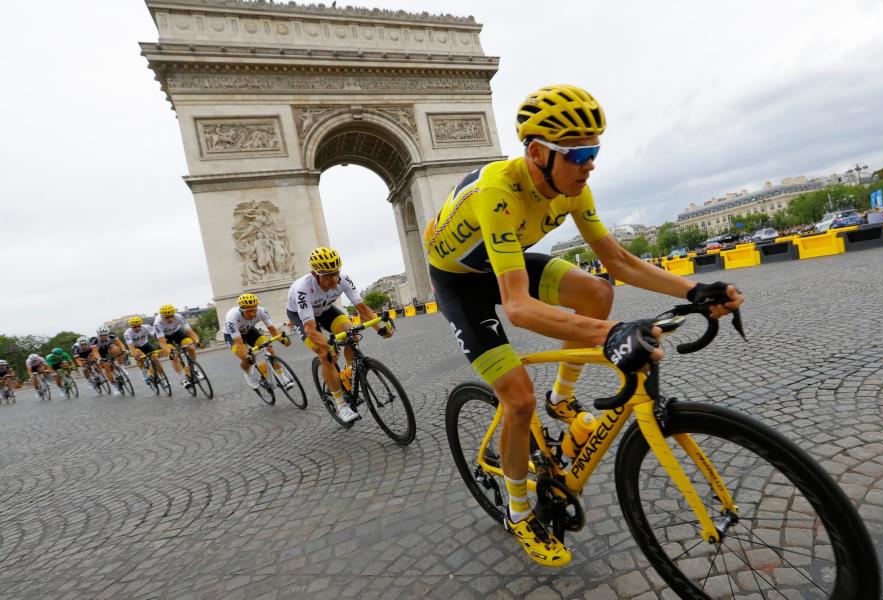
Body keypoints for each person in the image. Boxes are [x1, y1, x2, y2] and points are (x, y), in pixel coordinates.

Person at [424, 84, 744, 567]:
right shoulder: (498, 193)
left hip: (504, 258)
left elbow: (616, 261)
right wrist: (613, 333)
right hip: (460, 281)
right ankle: (518, 510)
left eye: (595, 150)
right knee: (517, 398)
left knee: (597, 292)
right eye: (579, 153)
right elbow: (518, 307)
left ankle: (562, 397)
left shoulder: (574, 188)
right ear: (536, 153)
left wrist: (693, 291)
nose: (591, 163)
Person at [285, 247, 393, 423]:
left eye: (336, 273)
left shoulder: (343, 279)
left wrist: (380, 329)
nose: (334, 279)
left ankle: (348, 375)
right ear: (314, 274)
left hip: (326, 310)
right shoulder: (302, 289)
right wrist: (326, 348)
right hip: (301, 317)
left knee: (352, 335)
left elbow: (362, 309)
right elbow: (311, 328)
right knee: (326, 356)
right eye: (328, 276)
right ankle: (341, 405)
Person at [224, 293, 293, 391]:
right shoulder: (232, 317)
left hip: (250, 331)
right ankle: (248, 374)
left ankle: (282, 378)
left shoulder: (261, 311)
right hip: (233, 337)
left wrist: (282, 339)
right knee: (248, 359)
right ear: (242, 310)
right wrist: (248, 355)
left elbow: (272, 329)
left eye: (254, 310)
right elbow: (239, 342)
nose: (252, 313)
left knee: (268, 347)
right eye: (249, 311)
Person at [153, 304, 202, 389]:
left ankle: (192, 369)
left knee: (191, 346)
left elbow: (190, 332)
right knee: (174, 355)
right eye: (167, 317)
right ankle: (183, 379)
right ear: (162, 316)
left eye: (171, 316)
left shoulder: (179, 317)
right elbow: (162, 343)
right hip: (164, 337)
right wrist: (170, 352)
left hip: (177, 332)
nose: (170, 319)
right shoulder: (157, 323)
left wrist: (197, 341)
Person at [123, 316, 169, 384]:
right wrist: (135, 354)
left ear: (141, 325)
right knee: (140, 356)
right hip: (135, 347)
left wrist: (162, 343)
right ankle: (144, 374)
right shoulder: (127, 333)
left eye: (139, 326)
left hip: (145, 344)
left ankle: (163, 377)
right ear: (131, 327)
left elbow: (155, 335)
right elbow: (130, 345)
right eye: (134, 327)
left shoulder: (146, 327)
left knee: (156, 359)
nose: (137, 328)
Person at [90, 325, 127, 396]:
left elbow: (120, 344)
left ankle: (121, 366)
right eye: (101, 335)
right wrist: (99, 358)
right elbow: (95, 352)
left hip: (109, 348)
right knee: (107, 367)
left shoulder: (112, 335)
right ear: (98, 335)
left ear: (108, 334)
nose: (103, 337)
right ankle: (114, 384)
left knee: (116, 349)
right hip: (100, 352)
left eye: (105, 335)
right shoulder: (94, 340)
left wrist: (124, 350)